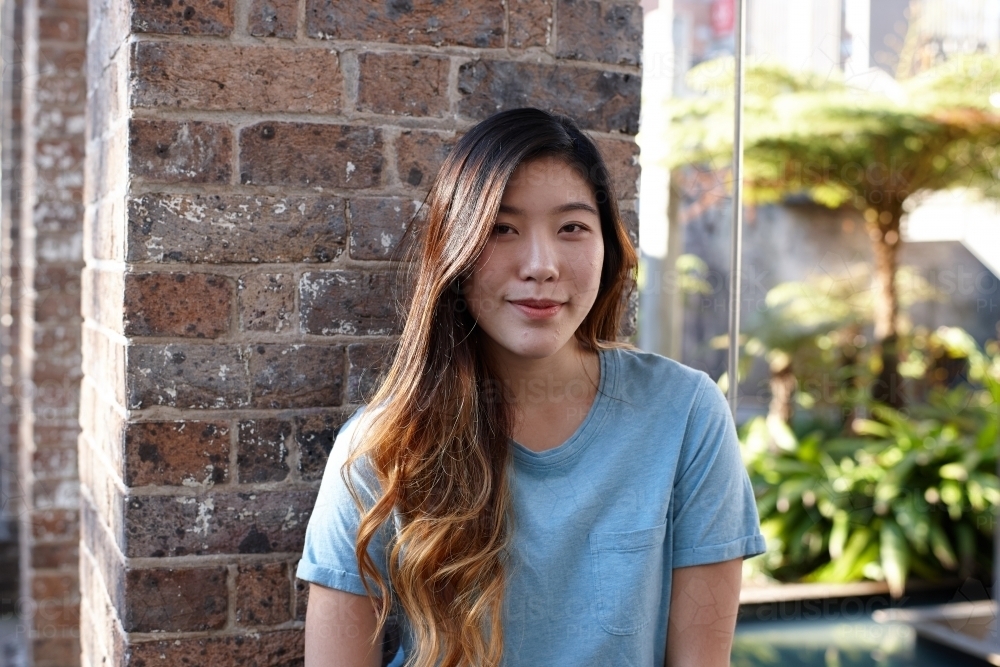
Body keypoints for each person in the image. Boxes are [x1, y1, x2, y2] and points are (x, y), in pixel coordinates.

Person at [296, 107, 767, 667]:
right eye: (502, 228)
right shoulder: (381, 446)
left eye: (571, 227)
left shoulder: (684, 415)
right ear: (456, 251)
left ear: (607, 248)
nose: (541, 265)